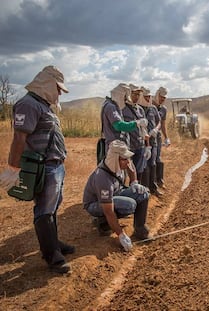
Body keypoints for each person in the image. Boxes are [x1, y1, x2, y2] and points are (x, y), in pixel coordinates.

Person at [0, 65, 74, 274]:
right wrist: (13, 168)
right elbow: (19, 138)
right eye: (58, 88)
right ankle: (52, 257)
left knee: (52, 207)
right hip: (44, 167)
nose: (60, 93)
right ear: (48, 83)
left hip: (56, 166)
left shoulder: (43, 105)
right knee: (44, 210)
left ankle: (55, 244)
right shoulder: (28, 104)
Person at [83, 140, 151, 251]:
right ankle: (102, 222)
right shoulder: (102, 178)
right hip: (96, 204)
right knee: (129, 205)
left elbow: (131, 168)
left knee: (143, 193)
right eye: (125, 159)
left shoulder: (120, 163)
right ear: (115, 159)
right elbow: (108, 211)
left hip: (115, 194)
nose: (128, 162)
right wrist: (121, 235)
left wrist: (134, 183)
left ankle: (140, 229)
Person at [101, 83, 147, 152]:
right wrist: (136, 123)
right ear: (120, 95)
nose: (125, 100)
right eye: (125, 97)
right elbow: (119, 125)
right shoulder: (111, 107)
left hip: (119, 145)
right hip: (115, 146)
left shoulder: (112, 105)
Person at [139, 87, 163, 196]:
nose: (148, 98)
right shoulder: (139, 109)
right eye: (146, 96)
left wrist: (156, 129)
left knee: (152, 163)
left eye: (149, 96)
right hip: (142, 142)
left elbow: (159, 122)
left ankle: (153, 187)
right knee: (144, 166)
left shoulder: (153, 108)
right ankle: (145, 189)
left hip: (153, 141)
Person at [122, 84, 149, 183]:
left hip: (140, 145)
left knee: (139, 171)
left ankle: (137, 193)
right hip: (128, 146)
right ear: (129, 93)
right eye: (135, 94)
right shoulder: (123, 109)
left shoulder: (140, 109)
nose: (137, 97)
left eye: (138, 94)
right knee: (125, 172)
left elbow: (144, 129)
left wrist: (147, 146)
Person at [153, 86, 170, 188]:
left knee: (158, 158)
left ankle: (159, 180)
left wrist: (166, 137)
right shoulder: (150, 106)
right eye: (161, 97)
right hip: (149, 136)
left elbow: (163, 124)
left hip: (157, 136)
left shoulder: (163, 109)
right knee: (151, 159)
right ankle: (152, 182)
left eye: (164, 98)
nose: (162, 99)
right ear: (157, 95)